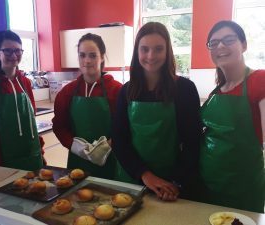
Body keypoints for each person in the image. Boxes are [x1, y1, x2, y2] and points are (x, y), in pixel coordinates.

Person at [112, 22, 201, 201]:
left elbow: (193, 143)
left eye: (158, 49)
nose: (151, 56)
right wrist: (144, 174)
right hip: (132, 178)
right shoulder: (126, 91)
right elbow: (120, 141)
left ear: (167, 51)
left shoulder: (185, 89)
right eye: (144, 49)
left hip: (170, 184)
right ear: (137, 52)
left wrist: (176, 182)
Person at [200, 20, 265, 213]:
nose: (220, 46)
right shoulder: (216, 92)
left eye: (228, 39)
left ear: (244, 45)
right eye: (214, 42)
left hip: (242, 189)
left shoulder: (259, 80)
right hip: (208, 185)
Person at [52, 33, 122, 179]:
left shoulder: (117, 91)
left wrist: (108, 145)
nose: (87, 61)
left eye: (92, 55)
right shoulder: (66, 93)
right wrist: (74, 146)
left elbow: (124, 127)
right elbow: (59, 126)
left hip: (111, 160)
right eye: (82, 55)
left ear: (102, 57)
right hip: (77, 163)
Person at [0, 30, 44, 170]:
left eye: (18, 51)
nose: (14, 56)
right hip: (5, 165)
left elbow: (32, 125)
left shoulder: (25, 83)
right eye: (7, 51)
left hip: (34, 159)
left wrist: (40, 153)